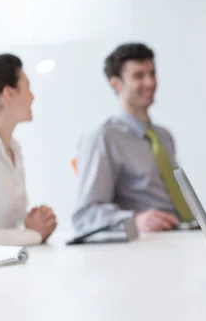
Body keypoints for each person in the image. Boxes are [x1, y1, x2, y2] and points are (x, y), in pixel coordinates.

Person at [72, 43, 193, 233]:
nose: (150, 82)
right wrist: (134, 221)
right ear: (116, 83)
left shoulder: (164, 137)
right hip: (149, 244)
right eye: (139, 76)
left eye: (152, 73)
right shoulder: (103, 138)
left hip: (185, 233)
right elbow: (86, 215)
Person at [0, 54, 57, 245]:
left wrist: (34, 223)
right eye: (28, 88)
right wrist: (34, 234)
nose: (33, 97)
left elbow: (3, 228)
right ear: (8, 94)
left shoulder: (13, 147)